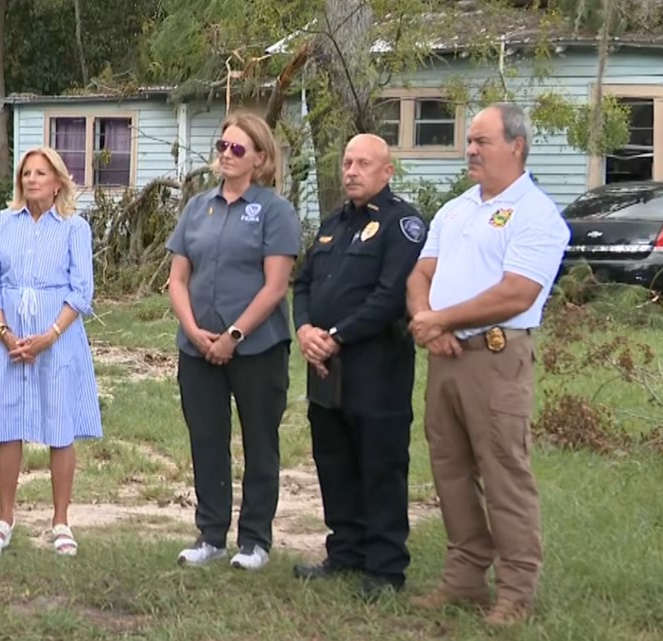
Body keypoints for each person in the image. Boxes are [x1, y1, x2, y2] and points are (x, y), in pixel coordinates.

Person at [405, 103, 569, 626]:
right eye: (468, 141)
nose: (470, 150)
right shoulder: (455, 209)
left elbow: (515, 293)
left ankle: (516, 592)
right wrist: (429, 324)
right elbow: (419, 274)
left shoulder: (538, 214)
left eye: (482, 141)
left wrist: (443, 321)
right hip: (447, 358)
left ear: (516, 146)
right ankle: (465, 577)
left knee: (504, 473)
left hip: (496, 358)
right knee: (450, 470)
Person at [290, 133, 426, 599]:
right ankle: (344, 551)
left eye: (363, 163)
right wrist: (305, 328)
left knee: (380, 464)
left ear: (386, 172)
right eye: (347, 162)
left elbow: (390, 296)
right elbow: (304, 282)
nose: (351, 170)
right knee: (334, 459)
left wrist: (337, 335)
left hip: (376, 366)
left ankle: (385, 567)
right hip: (325, 366)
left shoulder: (401, 224)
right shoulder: (332, 224)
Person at [165, 110, 302, 571]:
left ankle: (256, 540)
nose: (225, 154)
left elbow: (275, 286)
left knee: (259, 440)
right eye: (222, 146)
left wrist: (234, 335)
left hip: (257, 346)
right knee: (207, 438)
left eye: (237, 148)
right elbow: (178, 278)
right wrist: (193, 329)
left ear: (259, 158)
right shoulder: (197, 207)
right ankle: (211, 535)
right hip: (197, 345)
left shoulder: (275, 211)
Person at [0, 146, 102, 557]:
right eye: (26, 173)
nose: (31, 180)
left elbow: (82, 290)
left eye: (40, 173)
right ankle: (5, 517)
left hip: (56, 335)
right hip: (8, 334)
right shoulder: (3, 222)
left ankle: (60, 520)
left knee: (58, 424)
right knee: (7, 423)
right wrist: (4, 329)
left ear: (58, 180)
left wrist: (49, 335)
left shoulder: (73, 227)